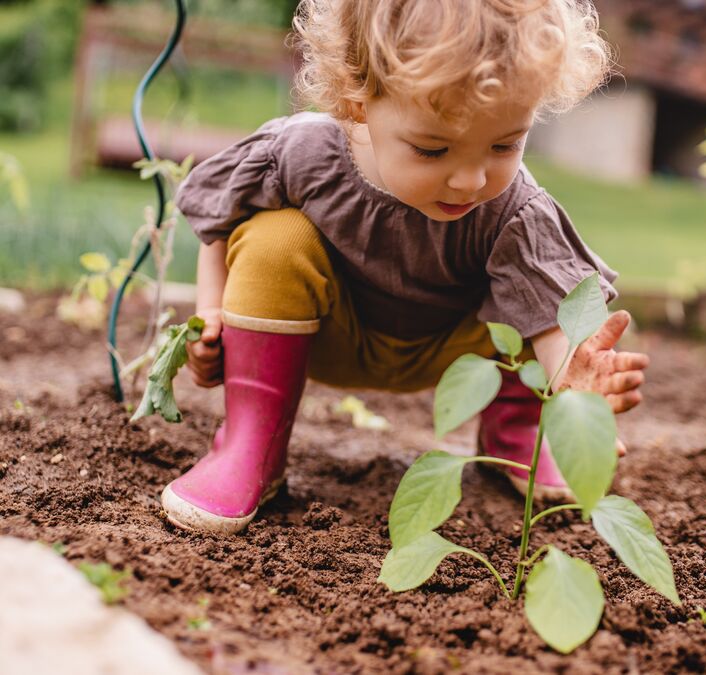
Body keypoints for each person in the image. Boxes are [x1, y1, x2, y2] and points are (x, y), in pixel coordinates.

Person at [165, 0, 649, 534]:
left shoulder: (512, 208)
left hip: (456, 356)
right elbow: (218, 215)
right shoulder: (300, 154)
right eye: (432, 149)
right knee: (274, 237)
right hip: (325, 337)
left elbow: (552, 320)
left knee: (525, 274)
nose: (470, 180)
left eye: (504, 144)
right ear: (358, 100)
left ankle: (518, 428)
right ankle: (250, 444)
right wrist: (209, 314)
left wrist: (572, 382)